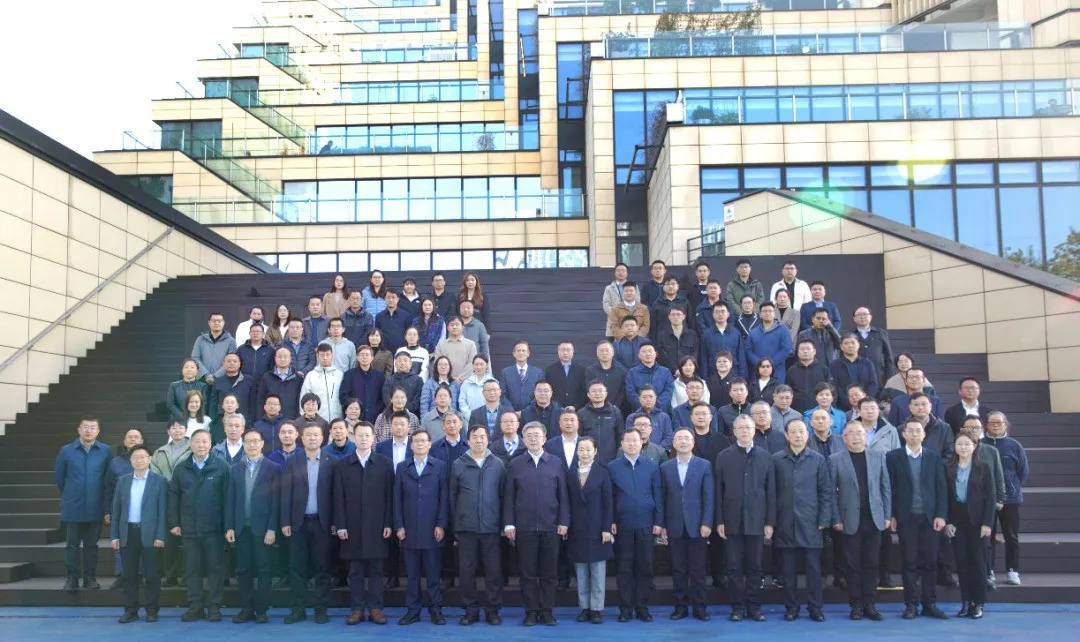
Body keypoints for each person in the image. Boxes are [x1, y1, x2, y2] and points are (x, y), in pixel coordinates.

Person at [504, 421, 570, 626]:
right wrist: (509, 524)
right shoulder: (515, 464)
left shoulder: (556, 463)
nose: (533, 438)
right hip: (524, 528)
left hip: (551, 527)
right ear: (523, 440)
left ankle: (547, 611)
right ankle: (531, 612)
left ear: (544, 438)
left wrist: (564, 521)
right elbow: (509, 496)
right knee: (527, 573)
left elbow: (563, 495)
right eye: (529, 435)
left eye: (537, 435)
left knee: (550, 573)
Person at [886, 418, 950, 620]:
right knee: (910, 562)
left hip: (930, 518)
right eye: (911, 431)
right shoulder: (893, 457)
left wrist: (941, 514)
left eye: (918, 431)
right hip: (906, 517)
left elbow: (941, 488)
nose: (915, 434)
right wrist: (891, 514)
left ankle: (929, 603)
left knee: (930, 562)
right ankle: (911, 604)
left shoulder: (933, 457)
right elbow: (889, 488)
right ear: (903, 434)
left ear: (924, 434)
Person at [715, 415, 776, 622]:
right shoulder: (724, 456)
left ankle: (754, 607)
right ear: (734, 431)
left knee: (755, 567)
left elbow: (771, 492)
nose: (744, 431)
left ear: (754, 430)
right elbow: (718, 491)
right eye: (740, 428)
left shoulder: (765, 457)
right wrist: (719, 520)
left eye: (748, 428)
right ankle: (737, 607)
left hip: (757, 521)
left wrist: (769, 522)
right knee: (733, 567)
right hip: (731, 520)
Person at [333, 421, 395, 626]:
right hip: (351, 526)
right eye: (360, 435)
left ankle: (376, 609)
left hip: (377, 526)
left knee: (377, 570)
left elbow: (390, 497)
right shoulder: (342, 465)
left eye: (367, 435)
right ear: (354, 437)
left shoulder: (385, 464)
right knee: (355, 571)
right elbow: (338, 498)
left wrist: (388, 523)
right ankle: (357, 609)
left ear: (373, 438)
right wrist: (340, 525)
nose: (364, 439)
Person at [830, 421, 892, 621]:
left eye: (860, 433)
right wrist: (835, 518)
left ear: (865, 436)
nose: (856, 437)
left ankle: (870, 604)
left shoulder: (878, 456)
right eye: (851, 433)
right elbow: (830, 493)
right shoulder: (835, 460)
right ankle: (855, 605)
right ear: (844, 438)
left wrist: (887, 515)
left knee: (872, 563)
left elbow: (885, 487)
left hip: (874, 518)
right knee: (852, 564)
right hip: (849, 519)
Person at [772, 419, 831, 622]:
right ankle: (791, 607)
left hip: (811, 522)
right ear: (786, 436)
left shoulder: (818, 459)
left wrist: (824, 518)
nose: (798, 435)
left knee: (813, 570)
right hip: (785, 521)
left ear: (807, 434)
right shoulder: (777, 460)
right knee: (788, 571)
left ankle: (815, 607)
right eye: (794, 432)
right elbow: (771, 493)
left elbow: (825, 491)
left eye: (802, 432)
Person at [169, 429, 229, 622]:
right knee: (192, 570)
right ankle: (195, 606)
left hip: (214, 529)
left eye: (205, 442)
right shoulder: (181, 468)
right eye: (197, 442)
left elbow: (228, 498)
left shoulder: (221, 466)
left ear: (210, 444)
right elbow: (174, 497)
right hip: (190, 529)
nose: (201, 445)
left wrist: (227, 526)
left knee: (215, 569)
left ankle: (214, 606)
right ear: (191, 444)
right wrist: (174, 522)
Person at [450, 424, 507, 625]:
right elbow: (452, 497)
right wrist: (457, 525)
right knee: (466, 572)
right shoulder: (458, 464)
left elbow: (503, 495)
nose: (479, 440)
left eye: (482, 436)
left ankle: (493, 610)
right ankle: (471, 610)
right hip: (467, 528)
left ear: (488, 440)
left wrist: (502, 524)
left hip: (491, 528)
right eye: (475, 437)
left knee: (493, 571)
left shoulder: (498, 464)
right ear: (468, 440)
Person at [224, 429, 281, 624]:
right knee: (243, 570)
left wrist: (272, 528)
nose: (252, 445)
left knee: (264, 569)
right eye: (248, 441)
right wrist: (229, 526)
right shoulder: (235, 469)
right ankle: (246, 608)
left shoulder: (273, 468)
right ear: (243, 444)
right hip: (241, 528)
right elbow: (230, 499)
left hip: (263, 529)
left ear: (262, 443)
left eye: (256, 441)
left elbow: (276, 501)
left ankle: (261, 610)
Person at [393, 430, 449, 625]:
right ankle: (413, 611)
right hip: (408, 530)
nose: (419, 444)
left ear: (429, 444)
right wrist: (399, 525)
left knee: (433, 575)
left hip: (432, 529)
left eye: (423, 441)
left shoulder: (440, 466)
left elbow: (444, 498)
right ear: (411, 445)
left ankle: (436, 611)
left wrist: (441, 524)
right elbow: (397, 498)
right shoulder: (402, 467)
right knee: (412, 576)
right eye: (416, 441)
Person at [280, 423, 334, 624]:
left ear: (323, 438)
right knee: (296, 567)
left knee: (323, 568)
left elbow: (336, 495)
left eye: (316, 435)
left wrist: (335, 522)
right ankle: (298, 609)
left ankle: (321, 610)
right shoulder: (292, 461)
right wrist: (285, 520)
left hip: (322, 522)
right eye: (308, 435)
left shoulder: (332, 461)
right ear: (301, 438)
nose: (312, 438)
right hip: (298, 522)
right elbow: (285, 492)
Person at [608, 429, 664, 623]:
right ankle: (625, 608)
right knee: (624, 567)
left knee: (645, 566)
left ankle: (642, 607)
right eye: (628, 441)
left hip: (646, 524)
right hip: (622, 524)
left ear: (642, 443)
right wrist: (610, 520)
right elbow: (609, 497)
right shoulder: (612, 467)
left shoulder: (651, 466)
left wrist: (659, 521)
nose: (632, 444)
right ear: (621, 444)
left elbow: (658, 495)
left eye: (635, 441)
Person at [661, 428, 714, 621]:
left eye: (687, 438)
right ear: (674, 443)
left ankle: (700, 607)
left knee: (698, 570)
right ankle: (680, 607)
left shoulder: (704, 465)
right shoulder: (665, 467)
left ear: (693, 442)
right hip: (674, 524)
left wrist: (707, 522)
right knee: (678, 569)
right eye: (679, 438)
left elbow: (709, 496)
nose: (683, 441)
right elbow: (662, 498)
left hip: (698, 525)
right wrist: (663, 524)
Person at [110, 444, 167, 623]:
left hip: (150, 534)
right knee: (129, 575)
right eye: (135, 457)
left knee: (152, 575)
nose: (139, 460)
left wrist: (160, 536)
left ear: (150, 459)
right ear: (130, 461)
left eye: (143, 457)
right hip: (128, 533)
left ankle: (152, 610)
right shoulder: (123, 481)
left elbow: (163, 511)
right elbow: (116, 510)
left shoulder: (159, 481)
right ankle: (130, 610)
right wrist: (115, 535)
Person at [55, 417, 111, 592]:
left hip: (95, 506)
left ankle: (89, 578)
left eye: (93, 427)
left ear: (98, 431)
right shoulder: (67, 451)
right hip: (73, 506)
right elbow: (59, 478)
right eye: (85, 427)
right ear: (78, 430)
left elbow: (108, 479)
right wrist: (73, 493)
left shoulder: (105, 450)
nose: (89, 430)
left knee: (91, 546)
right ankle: (72, 578)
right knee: (71, 545)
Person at [946, 432, 995, 619]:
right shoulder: (949, 467)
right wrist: (948, 521)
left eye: (967, 444)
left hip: (978, 521)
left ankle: (979, 603)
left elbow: (991, 498)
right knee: (962, 563)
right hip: (957, 520)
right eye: (959, 444)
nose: (963, 447)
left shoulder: (983, 468)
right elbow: (945, 496)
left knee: (979, 563)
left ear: (974, 446)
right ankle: (966, 602)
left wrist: (987, 523)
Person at [566, 437, 614, 625]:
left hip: (597, 528)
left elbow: (608, 503)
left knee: (597, 571)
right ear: (577, 452)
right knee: (581, 572)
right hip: (577, 528)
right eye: (581, 449)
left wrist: (606, 528)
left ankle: (596, 608)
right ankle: (584, 607)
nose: (585, 453)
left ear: (595, 452)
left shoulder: (603, 473)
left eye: (588, 449)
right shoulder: (570, 474)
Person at [983, 411, 1028, 586]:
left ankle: (1013, 571)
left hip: (1011, 499)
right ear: (986, 425)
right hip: (986, 499)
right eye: (992, 422)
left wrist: (1011, 487)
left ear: (1005, 425)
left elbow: (1023, 472)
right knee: (987, 536)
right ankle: (989, 570)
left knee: (1011, 536)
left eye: (999, 422)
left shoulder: (1014, 445)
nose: (995, 425)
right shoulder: (980, 444)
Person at [103, 428, 145, 590]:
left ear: (142, 441)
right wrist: (107, 510)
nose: (133, 439)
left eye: (136, 437)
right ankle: (122, 575)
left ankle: (139, 575)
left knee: (141, 542)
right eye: (130, 437)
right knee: (120, 543)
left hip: (142, 509)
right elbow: (108, 487)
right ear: (124, 441)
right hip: (120, 510)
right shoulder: (115, 462)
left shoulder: (149, 459)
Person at [150, 419, 190, 587]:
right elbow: (154, 473)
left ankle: (187, 576)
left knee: (188, 542)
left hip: (188, 499)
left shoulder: (193, 448)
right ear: (168, 431)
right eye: (174, 427)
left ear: (186, 430)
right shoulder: (160, 452)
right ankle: (170, 575)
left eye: (181, 427)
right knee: (170, 541)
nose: (177, 430)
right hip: (167, 499)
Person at [578, 379, 624, 464]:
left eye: (600, 391)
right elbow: (578, 437)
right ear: (588, 394)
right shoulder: (582, 413)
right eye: (594, 391)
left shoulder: (615, 412)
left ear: (606, 393)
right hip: (588, 459)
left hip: (611, 459)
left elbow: (620, 436)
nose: (597, 393)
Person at [829, 333, 879, 411]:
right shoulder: (834, 365)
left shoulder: (867, 363)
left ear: (858, 345)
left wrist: (865, 399)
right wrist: (848, 401)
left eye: (853, 342)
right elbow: (835, 386)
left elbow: (873, 383)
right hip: (843, 407)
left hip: (866, 405)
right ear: (841, 346)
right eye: (846, 343)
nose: (850, 346)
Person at [746, 301, 794, 382]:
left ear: (774, 314)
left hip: (777, 373)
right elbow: (748, 350)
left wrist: (770, 363)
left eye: (770, 311)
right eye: (764, 311)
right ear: (760, 314)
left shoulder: (783, 330)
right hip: (758, 373)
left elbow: (786, 349)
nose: (767, 313)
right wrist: (759, 363)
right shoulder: (753, 332)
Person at [898, 391, 955, 459]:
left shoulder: (944, 428)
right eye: (916, 404)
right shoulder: (902, 429)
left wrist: (936, 465)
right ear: (910, 407)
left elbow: (949, 454)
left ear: (930, 406)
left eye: (924, 404)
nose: (920, 407)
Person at [340, 345, 387, 423]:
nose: (364, 357)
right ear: (357, 358)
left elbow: (383, 397)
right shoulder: (349, 375)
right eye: (362, 355)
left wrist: (376, 410)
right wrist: (353, 409)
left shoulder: (379, 376)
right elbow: (343, 395)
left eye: (367, 355)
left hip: (374, 417)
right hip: (354, 418)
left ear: (372, 358)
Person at [300, 344, 344, 423]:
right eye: (322, 355)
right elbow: (304, 398)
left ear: (332, 355)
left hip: (337, 420)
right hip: (317, 421)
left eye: (327, 355)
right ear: (317, 356)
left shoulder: (340, 375)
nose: (325, 358)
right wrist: (305, 419)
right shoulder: (311, 375)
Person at [700, 302, 745, 379]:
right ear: (713, 315)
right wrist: (705, 377)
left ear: (728, 314)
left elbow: (741, 356)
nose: (720, 314)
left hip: (733, 375)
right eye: (717, 312)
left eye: (723, 311)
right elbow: (703, 358)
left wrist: (743, 377)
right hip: (713, 375)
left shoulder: (735, 333)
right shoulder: (707, 334)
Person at [852, 306, 894, 386]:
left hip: (879, 378)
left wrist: (889, 379)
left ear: (871, 317)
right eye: (859, 315)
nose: (862, 317)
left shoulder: (881, 333)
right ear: (854, 318)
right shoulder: (850, 335)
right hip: (856, 380)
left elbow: (888, 357)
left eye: (865, 314)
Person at [626, 342, 675, 411]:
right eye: (644, 351)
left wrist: (656, 404)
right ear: (639, 355)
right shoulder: (632, 372)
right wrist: (644, 404)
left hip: (661, 411)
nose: (648, 354)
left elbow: (669, 390)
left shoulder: (665, 371)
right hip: (640, 411)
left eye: (650, 351)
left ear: (656, 354)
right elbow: (630, 392)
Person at [786, 340, 831, 413]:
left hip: (818, 411)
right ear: (798, 353)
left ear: (814, 351)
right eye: (802, 349)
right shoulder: (791, 371)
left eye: (808, 348)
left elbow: (830, 391)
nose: (805, 351)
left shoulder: (823, 369)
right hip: (796, 411)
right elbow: (787, 391)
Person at [257, 348, 303, 419]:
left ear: (290, 359)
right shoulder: (267, 377)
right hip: (271, 419)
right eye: (280, 357)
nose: (282, 359)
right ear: (275, 358)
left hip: (292, 419)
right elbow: (261, 399)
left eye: (285, 357)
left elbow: (300, 400)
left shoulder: (298, 378)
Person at [191, 312, 236, 384]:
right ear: (209, 322)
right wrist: (206, 374)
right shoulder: (201, 339)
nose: (216, 323)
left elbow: (231, 361)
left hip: (223, 380)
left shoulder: (231, 341)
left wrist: (215, 376)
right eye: (214, 321)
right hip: (202, 379)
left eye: (219, 321)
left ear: (223, 323)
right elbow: (195, 358)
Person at [499, 341, 544, 411]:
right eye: (518, 350)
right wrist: (511, 411)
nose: (521, 353)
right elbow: (502, 394)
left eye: (523, 351)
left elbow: (540, 393)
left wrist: (526, 411)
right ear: (514, 353)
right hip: (510, 413)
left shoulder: (538, 373)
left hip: (532, 412)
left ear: (528, 353)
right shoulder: (505, 372)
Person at [433, 317, 479, 382]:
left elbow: (472, 364)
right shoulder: (441, 345)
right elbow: (438, 363)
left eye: (457, 324)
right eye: (452, 325)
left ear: (462, 327)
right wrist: (450, 378)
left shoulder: (471, 344)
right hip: (446, 381)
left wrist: (459, 378)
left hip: (466, 382)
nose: (454, 327)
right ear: (447, 327)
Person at [650, 275, 694, 342]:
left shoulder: (685, 302)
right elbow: (653, 326)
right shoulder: (657, 304)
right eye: (667, 284)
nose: (670, 286)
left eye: (673, 284)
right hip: (662, 340)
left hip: (682, 339)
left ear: (678, 286)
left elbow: (691, 323)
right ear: (663, 287)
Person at [587, 340, 628, 411]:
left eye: (607, 350)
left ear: (613, 352)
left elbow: (623, 392)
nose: (604, 353)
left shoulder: (622, 371)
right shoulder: (590, 371)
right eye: (601, 350)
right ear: (597, 353)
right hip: (596, 409)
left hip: (618, 409)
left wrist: (615, 407)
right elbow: (589, 390)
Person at [656, 306, 699, 374]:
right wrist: (675, 370)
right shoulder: (662, 335)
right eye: (673, 314)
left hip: (688, 372)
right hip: (668, 373)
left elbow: (694, 353)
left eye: (678, 314)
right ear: (669, 317)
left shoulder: (692, 335)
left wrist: (686, 368)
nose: (676, 317)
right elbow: (662, 356)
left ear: (684, 316)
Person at [383, 349, 423, 416]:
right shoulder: (389, 380)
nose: (402, 363)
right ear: (395, 364)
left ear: (411, 364)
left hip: (412, 415)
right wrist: (396, 409)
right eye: (399, 361)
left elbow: (418, 399)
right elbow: (386, 398)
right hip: (393, 415)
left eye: (405, 360)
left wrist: (406, 411)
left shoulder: (418, 380)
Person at [375, 289, 412, 354]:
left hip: (401, 351)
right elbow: (377, 335)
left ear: (398, 299)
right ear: (385, 299)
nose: (391, 300)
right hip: (384, 352)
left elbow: (408, 334)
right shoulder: (379, 316)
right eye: (388, 297)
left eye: (393, 297)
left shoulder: (406, 315)